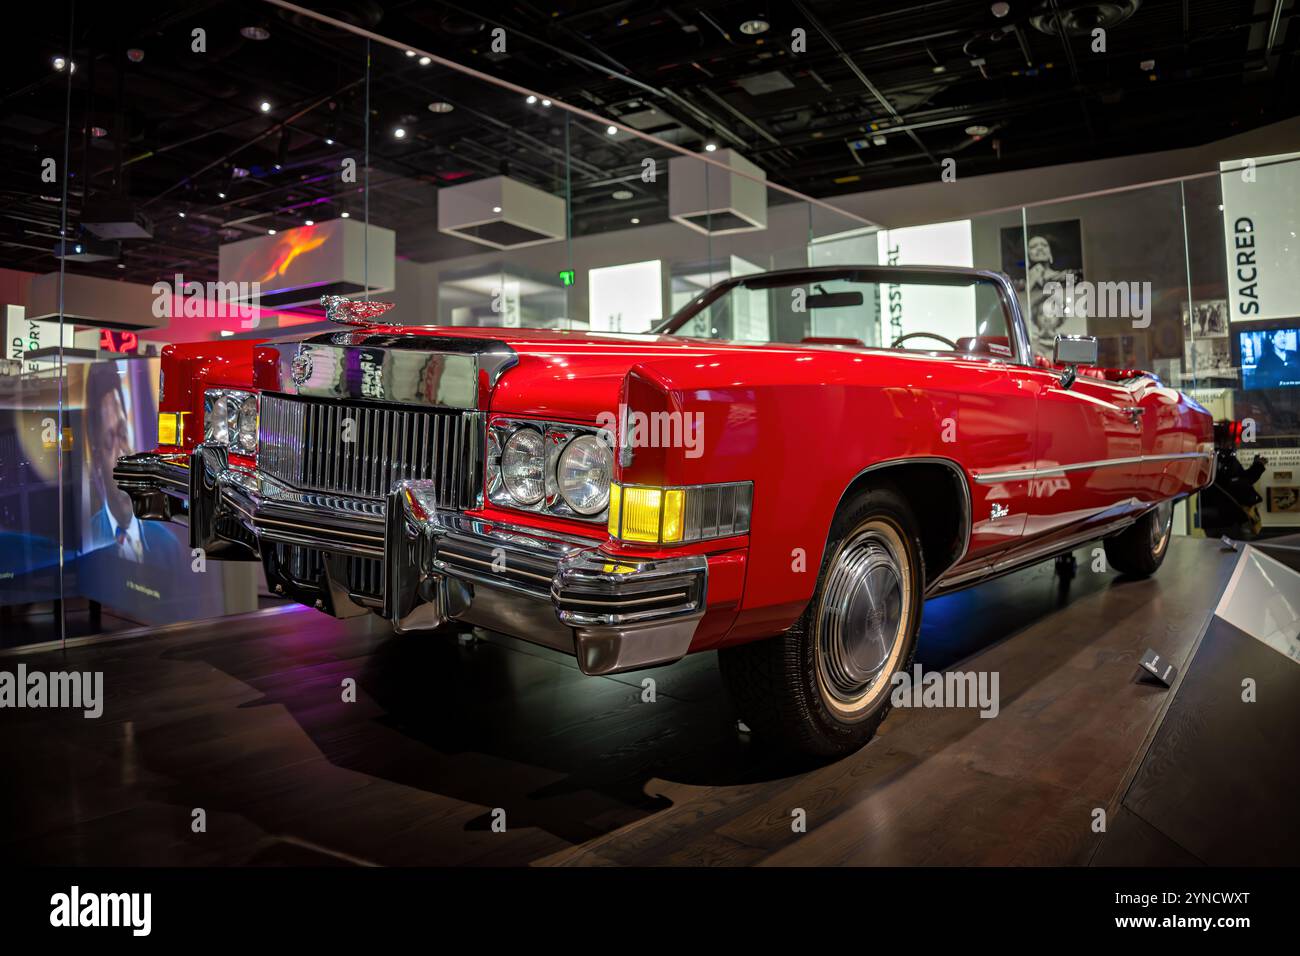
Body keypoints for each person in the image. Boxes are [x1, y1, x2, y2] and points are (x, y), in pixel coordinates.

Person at [83, 363, 184, 565]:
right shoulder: (88, 541)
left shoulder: (169, 547)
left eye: (123, 433)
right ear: (97, 461)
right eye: (110, 441)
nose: (122, 452)